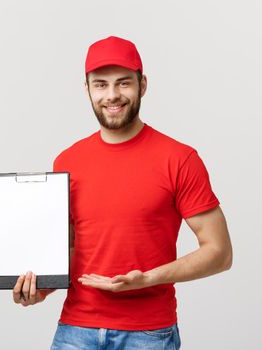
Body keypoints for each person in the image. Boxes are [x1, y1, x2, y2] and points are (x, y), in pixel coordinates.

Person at [12, 35, 233, 350]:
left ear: (142, 85)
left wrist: (147, 278)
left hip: (148, 334)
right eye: (100, 84)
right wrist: (40, 288)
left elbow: (220, 253)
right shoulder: (67, 161)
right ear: (87, 88)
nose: (112, 95)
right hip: (76, 329)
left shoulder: (180, 159)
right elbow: (73, 246)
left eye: (123, 83)